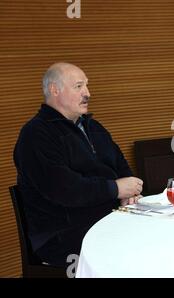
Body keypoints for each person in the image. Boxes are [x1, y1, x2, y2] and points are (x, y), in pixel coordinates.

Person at [14, 62, 144, 268]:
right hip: (61, 234)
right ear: (54, 90)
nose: (88, 93)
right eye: (78, 86)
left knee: (158, 234)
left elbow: (120, 165)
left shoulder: (93, 127)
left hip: (105, 220)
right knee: (135, 254)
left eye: (87, 86)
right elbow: (64, 189)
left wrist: (129, 194)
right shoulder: (35, 135)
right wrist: (116, 189)